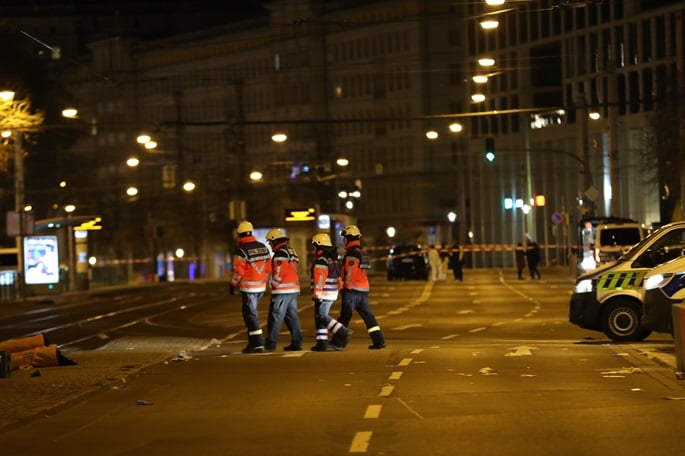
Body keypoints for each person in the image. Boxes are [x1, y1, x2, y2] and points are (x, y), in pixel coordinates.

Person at [338, 225, 386, 350]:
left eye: (344, 238)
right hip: (363, 289)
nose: (343, 240)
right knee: (368, 317)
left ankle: (337, 342)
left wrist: (345, 286)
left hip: (352, 290)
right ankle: (379, 341)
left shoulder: (352, 253)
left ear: (349, 238)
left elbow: (351, 272)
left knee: (345, 316)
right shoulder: (363, 253)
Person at [229, 220, 272, 353]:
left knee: (250, 315)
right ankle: (254, 342)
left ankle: (257, 343)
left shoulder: (241, 251)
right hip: (261, 287)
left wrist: (232, 284)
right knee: (252, 314)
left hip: (249, 288)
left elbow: (238, 272)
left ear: (239, 234)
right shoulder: (263, 247)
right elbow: (269, 267)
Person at [310, 233, 352, 351]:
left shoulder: (321, 259)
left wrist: (317, 293)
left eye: (314, 245)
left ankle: (342, 332)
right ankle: (322, 342)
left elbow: (320, 278)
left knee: (322, 316)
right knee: (319, 317)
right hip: (331, 291)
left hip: (324, 292)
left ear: (318, 246)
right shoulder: (331, 258)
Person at [264, 228, 302, 352]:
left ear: (275, 241)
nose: (270, 245)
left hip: (282, 290)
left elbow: (279, 272)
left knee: (275, 317)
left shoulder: (280, 253)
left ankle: (271, 343)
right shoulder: (291, 251)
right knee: (292, 317)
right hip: (293, 289)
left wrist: (273, 284)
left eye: (270, 242)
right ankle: (297, 342)